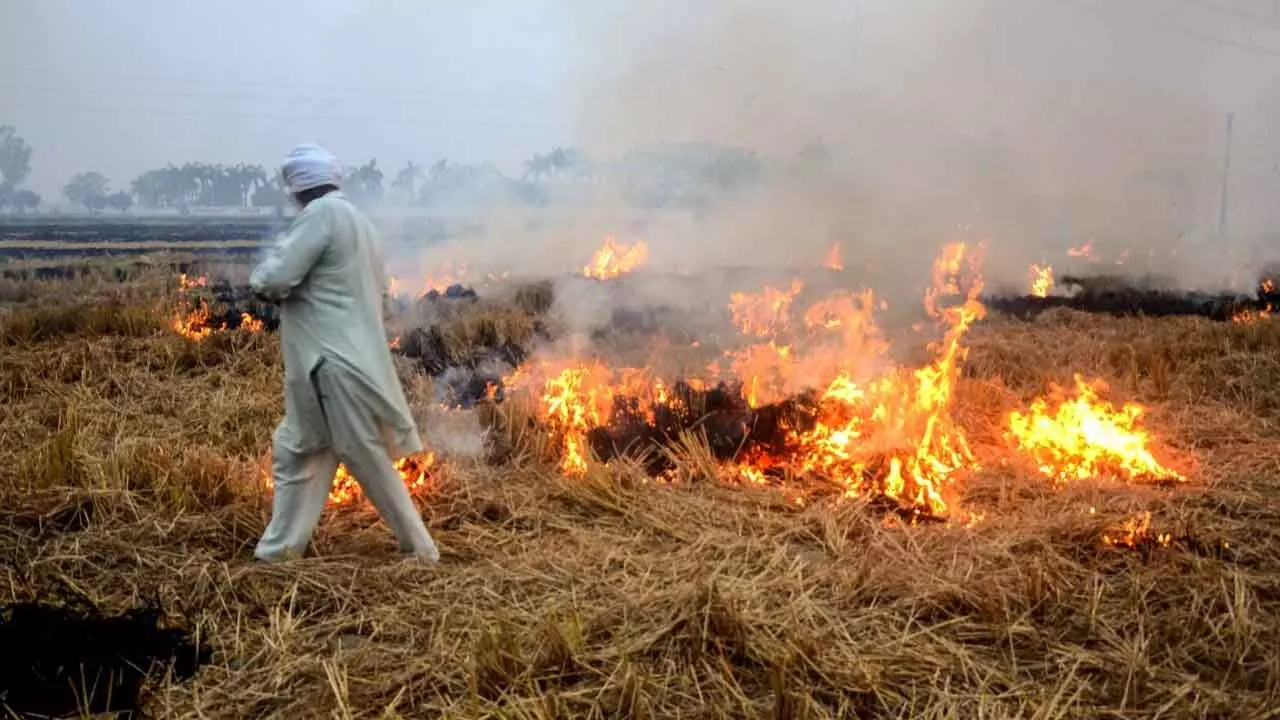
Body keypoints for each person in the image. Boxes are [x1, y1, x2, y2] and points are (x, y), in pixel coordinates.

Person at [249, 143, 441, 563]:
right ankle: (278, 553)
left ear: (298, 188)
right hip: (341, 361)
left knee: (360, 452)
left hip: (329, 364)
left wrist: (264, 281)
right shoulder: (361, 225)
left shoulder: (322, 216)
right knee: (298, 449)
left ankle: (421, 548)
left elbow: (274, 277)